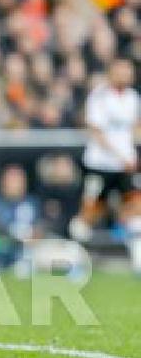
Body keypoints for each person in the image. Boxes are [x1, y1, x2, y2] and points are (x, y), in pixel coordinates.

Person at [69, 59, 141, 273]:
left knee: (135, 210)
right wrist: (121, 156)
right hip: (100, 165)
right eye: (121, 71)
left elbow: (134, 129)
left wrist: (133, 154)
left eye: (128, 72)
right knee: (88, 215)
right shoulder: (99, 97)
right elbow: (97, 132)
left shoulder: (133, 98)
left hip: (125, 167)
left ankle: (138, 262)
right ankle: (74, 263)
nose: (125, 76)